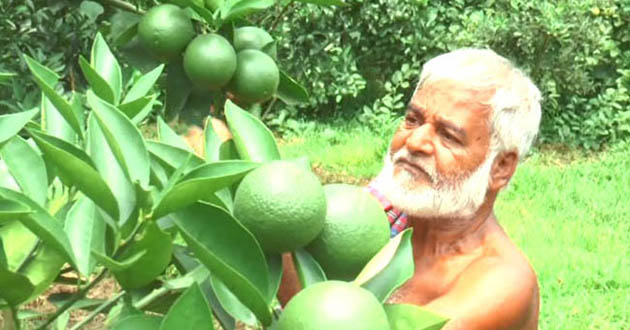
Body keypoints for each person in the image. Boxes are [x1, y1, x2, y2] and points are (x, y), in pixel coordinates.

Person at [278, 48, 542, 329]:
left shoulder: (504, 284)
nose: (415, 142)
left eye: (448, 136)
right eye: (413, 119)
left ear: (500, 167)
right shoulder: (379, 215)